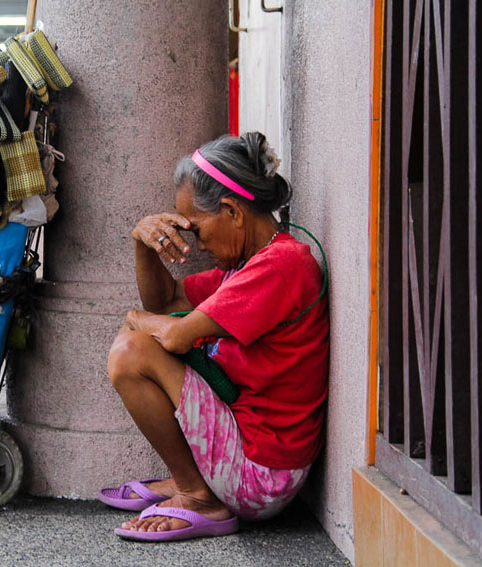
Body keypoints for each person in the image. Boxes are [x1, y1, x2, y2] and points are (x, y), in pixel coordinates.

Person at [99, 132, 329, 541]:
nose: (199, 246)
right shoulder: (248, 264)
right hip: (253, 456)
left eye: (200, 231)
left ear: (233, 212)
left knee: (130, 351)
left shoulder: (281, 266)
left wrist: (136, 319)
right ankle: (193, 483)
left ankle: (198, 495)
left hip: (263, 479)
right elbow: (167, 300)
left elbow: (174, 335)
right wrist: (143, 242)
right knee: (135, 339)